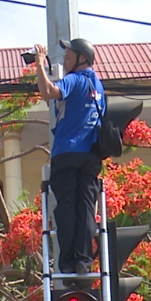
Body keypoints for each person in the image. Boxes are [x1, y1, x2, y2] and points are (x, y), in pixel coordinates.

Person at [34, 37, 104, 276]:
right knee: (85, 209)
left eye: (68, 56)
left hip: (66, 152)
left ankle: (66, 263)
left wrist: (40, 64)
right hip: (91, 155)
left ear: (81, 58)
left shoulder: (74, 79)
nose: (65, 60)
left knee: (66, 209)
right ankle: (84, 262)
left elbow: (48, 91)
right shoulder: (98, 85)